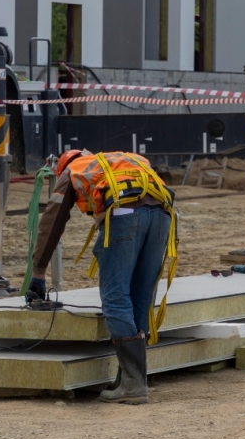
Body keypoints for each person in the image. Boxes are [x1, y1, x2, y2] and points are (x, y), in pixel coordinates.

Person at [28, 150, 178, 404]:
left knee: (116, 297)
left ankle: (132, 384)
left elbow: (53, 220)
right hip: (163, 216)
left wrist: (39, 272)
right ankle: (132, 380)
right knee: (141, 297)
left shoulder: (73, 170)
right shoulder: (127, 159)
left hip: (123, 216)